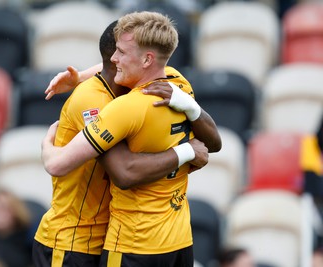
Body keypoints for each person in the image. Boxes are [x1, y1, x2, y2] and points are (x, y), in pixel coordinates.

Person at [41, 11, 221, 267]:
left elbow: (122, 173)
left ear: (147, 59)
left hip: (123, 242)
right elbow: (214, 144)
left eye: (121, 53)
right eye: (115, 53)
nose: (116, 59)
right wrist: (188, 149)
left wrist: (46, 146)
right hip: (79, 241)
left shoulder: (124, 106)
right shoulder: (177, 83)